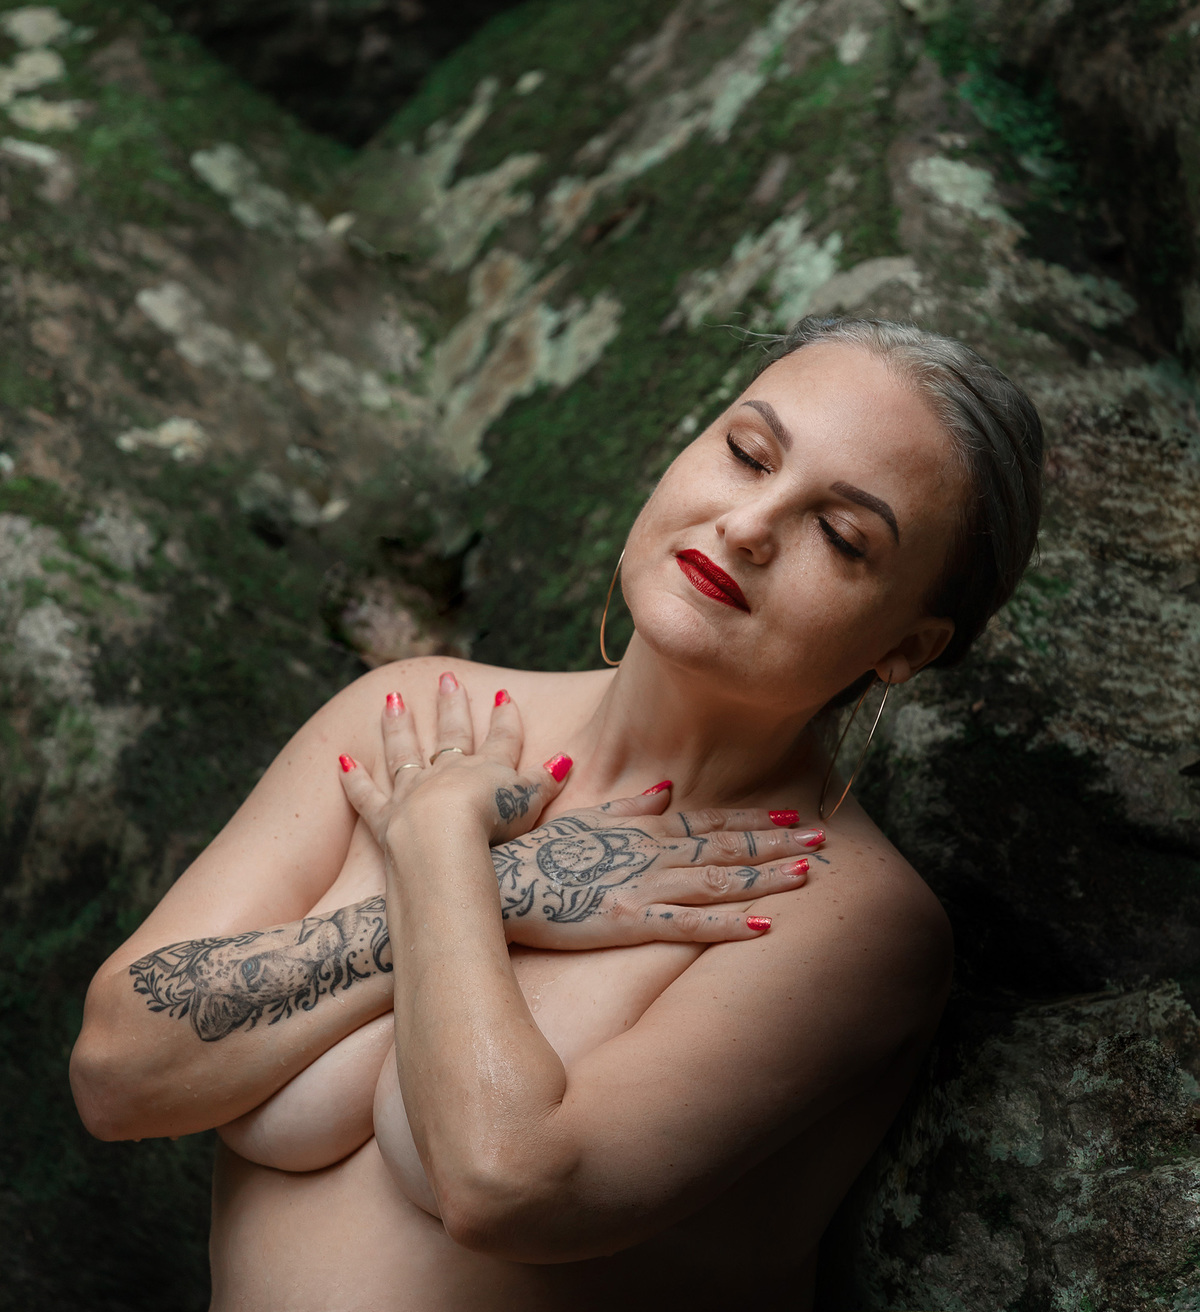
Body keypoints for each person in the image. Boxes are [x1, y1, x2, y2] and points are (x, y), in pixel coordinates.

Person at [70, 316, 1043, 1310]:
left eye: (841, 536)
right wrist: (508, 883)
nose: (749, 527)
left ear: (908, 647)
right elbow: (115, 1073)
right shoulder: (417, 713)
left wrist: (442, 846)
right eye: (747, 453)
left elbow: (507, 1182)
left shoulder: (834, 911)